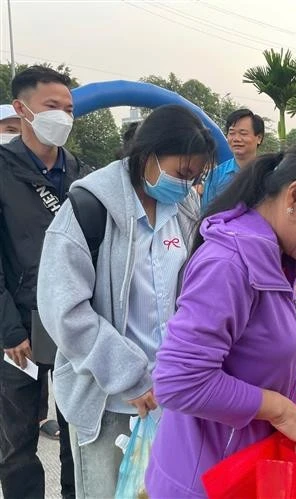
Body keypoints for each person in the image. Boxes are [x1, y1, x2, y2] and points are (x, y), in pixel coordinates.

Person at [143, 135, 296, 498]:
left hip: (246, 468)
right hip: (208, 479)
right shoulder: (229, 263)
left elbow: (247, 337)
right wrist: (277, 409)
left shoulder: (278, 254)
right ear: (295, 197)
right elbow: (179, 382)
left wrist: (295, 344)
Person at [36, 104, 216, 498]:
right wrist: (128, 375)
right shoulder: (88, 210)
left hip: (171, 393)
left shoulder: (182, 209)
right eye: (181, 172)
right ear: (148, 154)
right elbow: (64, 311)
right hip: (111, 398)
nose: (185, 185)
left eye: (194, 177)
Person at [0, 65, 88, 499]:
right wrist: (8, 330)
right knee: (17, 441)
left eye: (69, 109)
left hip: (72, 322)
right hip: (19, 327)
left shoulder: (79, 172)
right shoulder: (2, 168)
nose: (63, 117)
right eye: (52, 107)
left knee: (78, 432)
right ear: (22, 109)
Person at [201, 108, 264, 208]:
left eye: (243, 133)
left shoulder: (269, 173)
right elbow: (206, 213)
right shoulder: (216, 175)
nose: (236, 139)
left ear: (259, 138)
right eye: (232, 133)